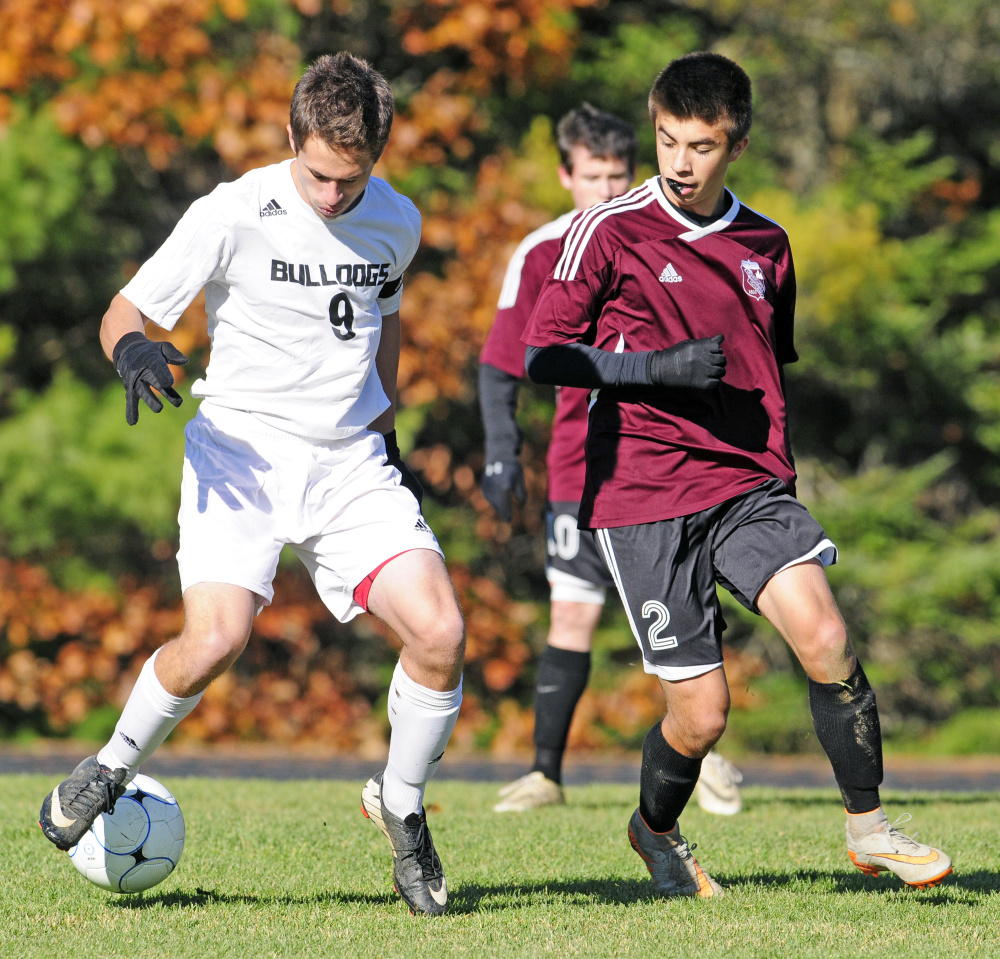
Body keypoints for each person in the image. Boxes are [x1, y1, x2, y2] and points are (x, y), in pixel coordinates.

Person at [37, 52, 465, 918]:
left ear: (377, 157)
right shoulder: (232, 211)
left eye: (352, 178)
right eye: (317, 173)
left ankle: (403, 806)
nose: (333, 195)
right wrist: (131, 350)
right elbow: (124, 309)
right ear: (289, 137)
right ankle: (110, 764)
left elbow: (383, 316)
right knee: (217, 641)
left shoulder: (398, 221)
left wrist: (385, 425)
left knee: (442, 632)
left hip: (347, 462)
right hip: (240, 452)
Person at [521, 52, 952, 897]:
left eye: (703, 146)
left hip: (747, 485)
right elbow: (543, 355)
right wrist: (653, 370)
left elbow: (763, 360)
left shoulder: (768, 245)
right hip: (641, 497)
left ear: (739, 144)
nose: (680, 163)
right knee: (703, 714)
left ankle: (871, 831)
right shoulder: (608, 230)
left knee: (826, 636)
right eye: (667, 141)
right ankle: (654, 830)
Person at [480, 105, 742, 816]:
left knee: (689, 612)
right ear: (567, 176)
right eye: (591, 176)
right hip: (576, 468)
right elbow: (504, 364)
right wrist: (502, 454)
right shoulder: (542, 252)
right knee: (571, 615)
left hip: (663, 464)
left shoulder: (669, 235)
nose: (605, 188)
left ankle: (708, 755)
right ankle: (545, 772)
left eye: (617, 174)